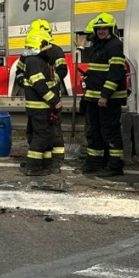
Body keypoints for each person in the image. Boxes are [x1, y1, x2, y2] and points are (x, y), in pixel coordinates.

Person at [14, 18, 69, 166]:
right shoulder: (29, 53)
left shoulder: (55, 50)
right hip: (38, 98)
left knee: (53, 130)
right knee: (36, 131)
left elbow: (63, 70)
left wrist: (52, 79)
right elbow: (20, 70)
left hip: (50, 96)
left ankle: (55, 160)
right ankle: (39, 160)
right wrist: (22, 80)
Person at [81, 12, 127, 177]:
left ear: (111, 28)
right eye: (98, 28)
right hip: (94, 98)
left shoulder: (115, 46)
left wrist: (105, 96)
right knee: (95, 131)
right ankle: (95, 162)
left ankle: (115, 165)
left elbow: (115, 74)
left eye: (104, 28)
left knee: (110, 131)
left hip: (108, 99)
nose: (101, 31)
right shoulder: (98, 46)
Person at [20, 30, 62, 175]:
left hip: (42, 107)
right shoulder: (35, 61)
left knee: (46, 135)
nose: (49, 47)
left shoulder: (38, 60)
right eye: (47, 44)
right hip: (40, 107)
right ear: (40, 44)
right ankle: (33, 167)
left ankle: (45, 164)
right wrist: (55, 100)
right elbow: (40, 85)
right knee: (41, 136)